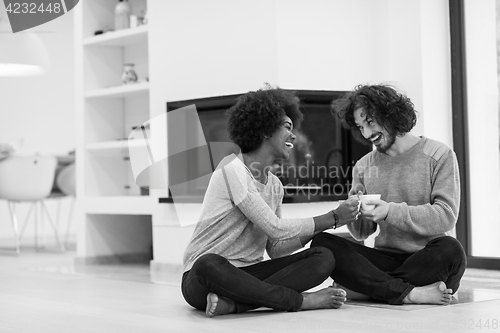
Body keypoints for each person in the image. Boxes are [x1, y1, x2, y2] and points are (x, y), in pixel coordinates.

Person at [181, 87, 359, 317]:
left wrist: (330, 223)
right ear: (265, 128)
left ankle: (237, 304)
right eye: (287, 126)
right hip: (205, 277)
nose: (294, 135)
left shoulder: (275, 185)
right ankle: (299, 301)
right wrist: (333, 217)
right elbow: (274, 227)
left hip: (249, 275)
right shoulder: (232, 169)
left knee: (323, 257)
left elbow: (276, 249)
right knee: (208, 263)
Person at [311, 84, 467, 306]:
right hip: (385, 259)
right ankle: (410, 293)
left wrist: (389, 212)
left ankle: (368, 290)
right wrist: (353, 211)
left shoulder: (439, 154)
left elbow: (446, 215)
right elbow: (362, 233)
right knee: (323, 242)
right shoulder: (364, 166)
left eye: (370, 122)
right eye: (360, 126)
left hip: (428, 258)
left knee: (452, 250)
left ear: (391, 114)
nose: (366, 133)